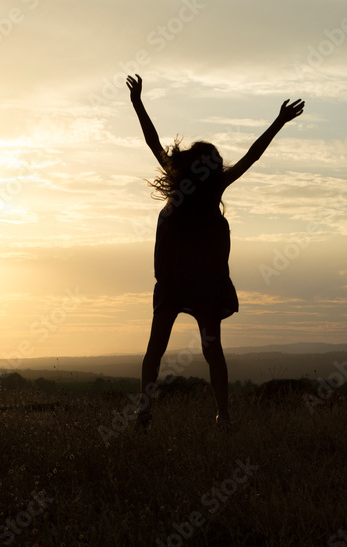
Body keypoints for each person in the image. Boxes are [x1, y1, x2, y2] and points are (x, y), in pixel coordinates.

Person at [127, 74, 304, 429]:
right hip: (199, 286)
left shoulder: (186, 186)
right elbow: (251, 157)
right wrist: (278, 123)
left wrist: (137, 102)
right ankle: (221, 415)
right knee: (209, 351)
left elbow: (153, 142)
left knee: (158, 350)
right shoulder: (211, 188)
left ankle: (148, 409)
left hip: (180, 285)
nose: (222, 164)